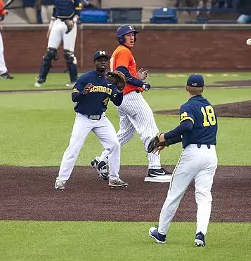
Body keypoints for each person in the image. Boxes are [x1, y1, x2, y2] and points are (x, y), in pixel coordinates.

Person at [91, 25, 172, 180]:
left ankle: (102, 160)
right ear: (121, 38)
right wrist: (140, 83)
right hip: (130, 97)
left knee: (125, 134)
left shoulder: (119, 51)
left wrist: (137, 77)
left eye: (133, 34)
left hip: (122, 97)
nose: (132, 37)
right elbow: (122, 73)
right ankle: (154, 168)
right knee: (149, 129)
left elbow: (123, 74)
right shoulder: (123, 51)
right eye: (128, 35)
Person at [148, 74, 218, 247]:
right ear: (203, 88)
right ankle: (200, 234)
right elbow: (193, 131)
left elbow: (187, 126)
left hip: (192, 155)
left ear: (186, 88)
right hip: (210, 156)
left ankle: (161, 233)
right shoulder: (209, 107)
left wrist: (164, 136)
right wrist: (168, 141)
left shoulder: (188, 106)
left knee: (174, 194)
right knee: (203, 197)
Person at [55, 50, 128, 190]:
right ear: (94, 62)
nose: (103, 62)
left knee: (114, 145)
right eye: (99, 60)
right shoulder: (85, 78)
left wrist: (120, 89)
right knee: (74, 148)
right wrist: (84, 93)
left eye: (105, 60)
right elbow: (74, 97)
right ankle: (61, 180)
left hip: (101, 119)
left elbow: (118, 102)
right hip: (84, 118)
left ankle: (114, 178)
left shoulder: (110, 81)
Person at [35, 0, 81, 88]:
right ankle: (41, 78)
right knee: (49, 52)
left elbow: (78, 12)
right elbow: (55, 12)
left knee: (68, 54)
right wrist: (50, 27)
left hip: (69, 23)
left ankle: (74, 80)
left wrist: (73, 22)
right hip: (58, 22)